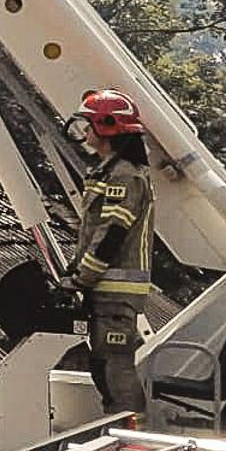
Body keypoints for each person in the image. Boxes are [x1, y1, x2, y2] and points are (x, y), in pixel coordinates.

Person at [66, 88, 156, 414]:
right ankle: (117, 430)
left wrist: (82, 278)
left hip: (115, 291)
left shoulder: (125, 176)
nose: (85, 133)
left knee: (116, 369)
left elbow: (112, 234)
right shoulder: (107, 172)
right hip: (104, 289)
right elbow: (93, 234)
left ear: (107, 128)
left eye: (89, 125)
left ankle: (131, 437)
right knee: (101, 366)